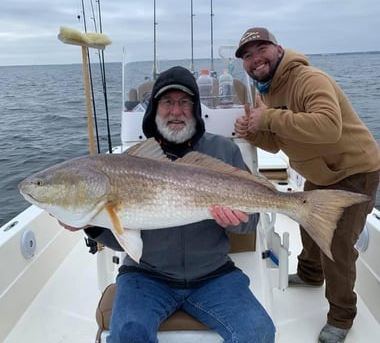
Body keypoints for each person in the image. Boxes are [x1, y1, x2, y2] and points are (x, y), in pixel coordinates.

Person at [61, 66, 275, 343]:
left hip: (213, 275)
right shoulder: (129, 164)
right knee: (128, 335)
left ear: (196, 109)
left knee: (258, 333)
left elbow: (251, 224)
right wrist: (90, 226)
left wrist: (237, 220)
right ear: (154, 109)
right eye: (167, 102)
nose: (176, 111)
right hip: (146, 276)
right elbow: (121, 239)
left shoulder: (225, 151)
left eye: (185, 102)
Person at [234, 27, 380, 343]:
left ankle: (341, 317)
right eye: (247, 55)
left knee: (337, 243)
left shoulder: (309, 80)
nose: (255, 58)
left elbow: (329, 127)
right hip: (320, 171)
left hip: (354, 169)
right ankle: (311, 275)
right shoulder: (265, 90)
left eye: (261, 49)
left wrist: (269, 117)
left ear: (278, 49)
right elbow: (275, 144)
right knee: (307, 223)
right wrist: (251, 131)